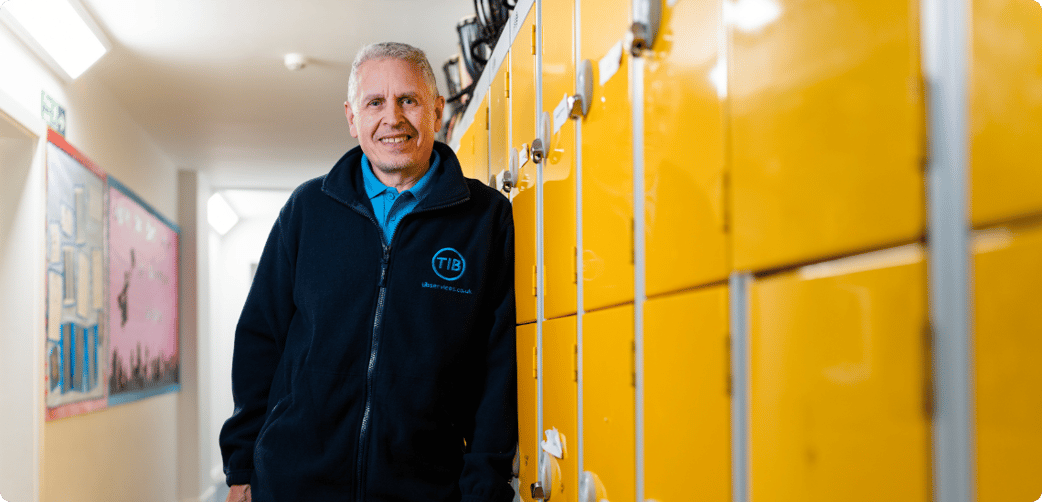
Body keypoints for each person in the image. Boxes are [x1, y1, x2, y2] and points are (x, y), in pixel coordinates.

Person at [219, 42, 517, 502]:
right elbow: (261, 337)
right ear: (352, 117)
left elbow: (497, 365)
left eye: (409, 100)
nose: (392, 118)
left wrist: (483, 485)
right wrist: (241, 464)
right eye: (374, 102)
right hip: (293, 482)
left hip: (423, 489)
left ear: (436, 110)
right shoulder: (308, 209)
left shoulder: (484, 218)